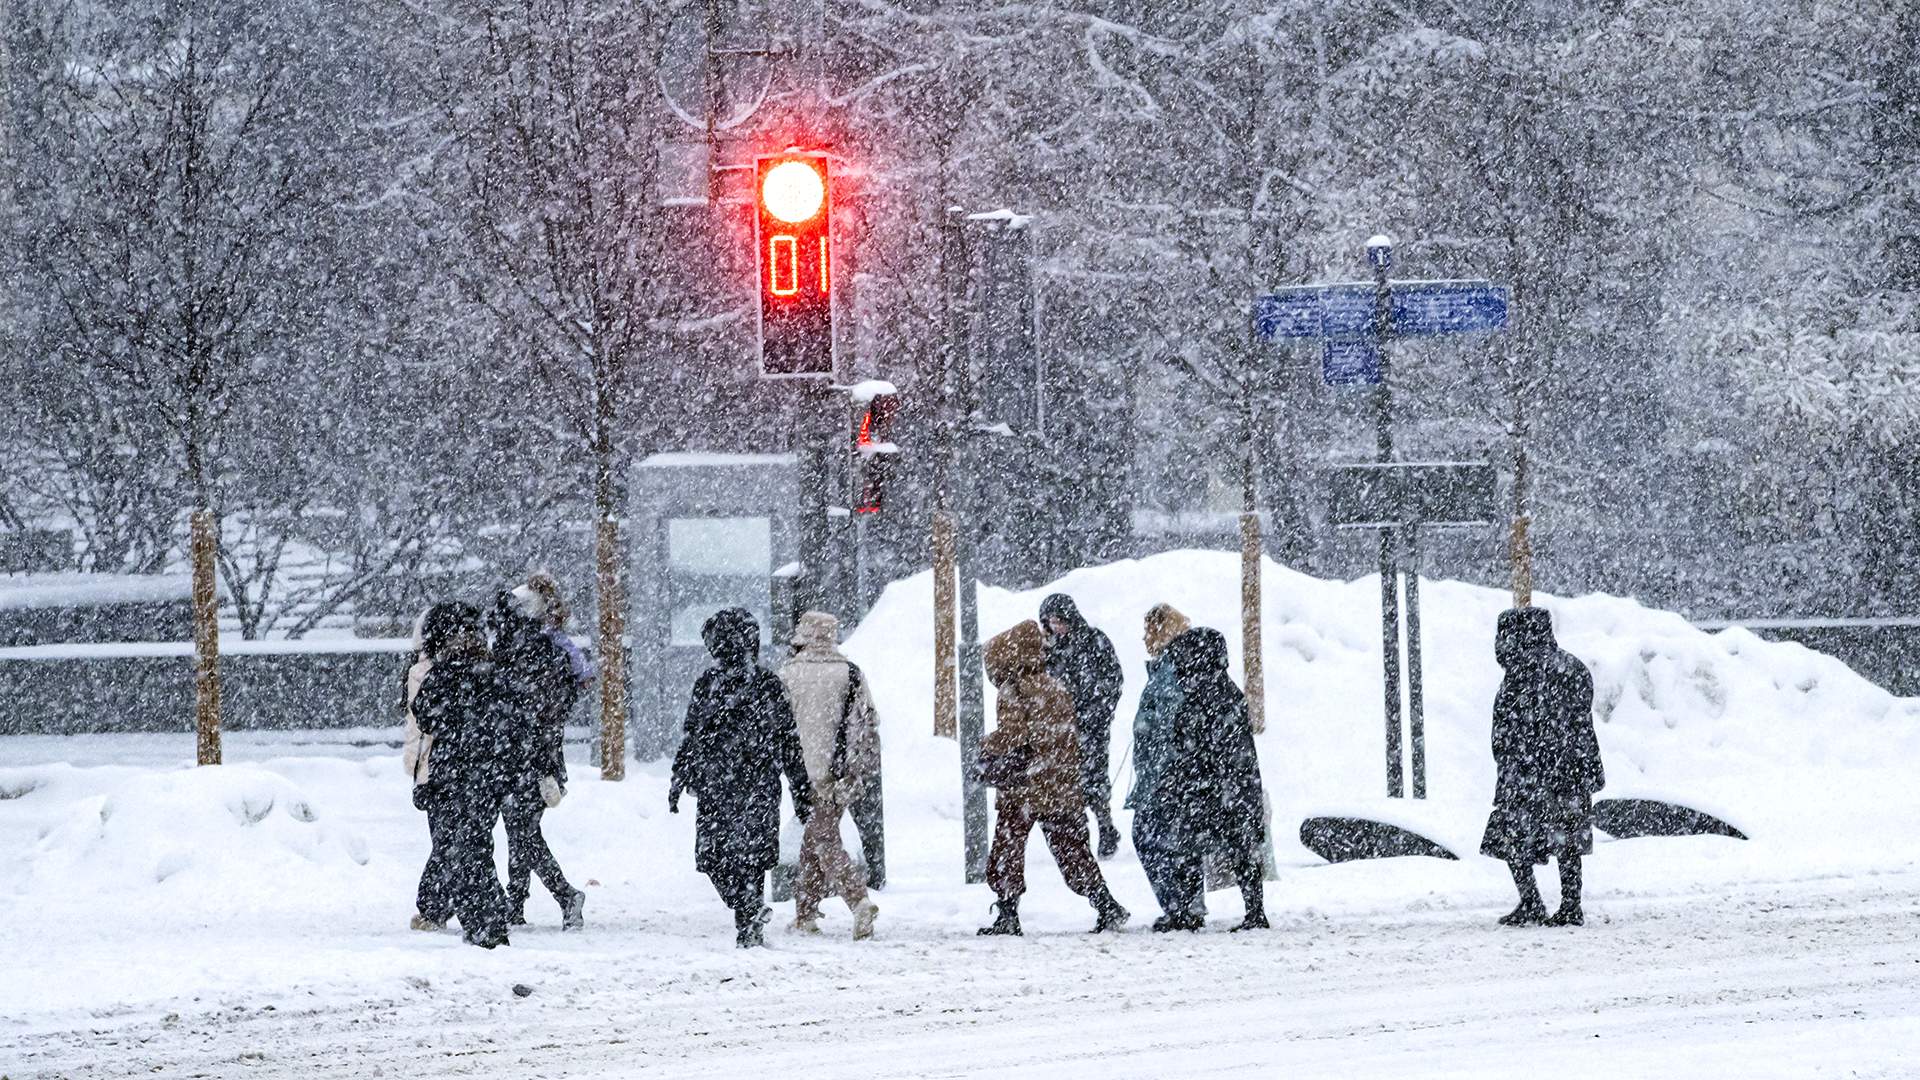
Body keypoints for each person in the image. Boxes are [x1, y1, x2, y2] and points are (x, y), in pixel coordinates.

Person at [671, 608, 814, 948]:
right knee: (721, 858)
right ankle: (748, 906)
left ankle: (748, 924)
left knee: (748, 857)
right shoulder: (713, 684)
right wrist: (680, 775)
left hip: (746, 782)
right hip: (730, 784)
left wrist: (800, 787)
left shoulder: (763, 685)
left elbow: (787, 739)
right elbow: (693, 734)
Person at [976, 619, 1129, 936]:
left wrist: (986, 746)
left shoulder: (1012, 690)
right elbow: (1064, 736)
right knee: (1072, 848)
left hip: (1025, 785)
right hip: (1060, 783)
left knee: (1008, 848)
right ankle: (1105, 904)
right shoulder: (1056, 685)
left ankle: (1007, 914)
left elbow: (1014, 736)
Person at [1481, 607, 1605, 928]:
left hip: (1528, 774)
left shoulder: (1519, 674)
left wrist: (1514, 765)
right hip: (1572, 771)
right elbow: (1580, 721)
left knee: (1510, 837)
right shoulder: (1573, 667)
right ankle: (1571, 905)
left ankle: (1531, 901)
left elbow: (1509, 731)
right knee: (1567, 840)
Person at [409, 601, 522, 949]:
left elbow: (425, 714)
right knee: (474, 847)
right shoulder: (492, 672)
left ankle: (483, 922)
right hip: (483, 777)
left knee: (458, 851)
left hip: (451, 777)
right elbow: (510, 721)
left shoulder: (446, 674)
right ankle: (487, 916)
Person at [777, 611, 882, 939]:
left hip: (803, 770)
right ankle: (805, 914)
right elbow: (869, 718)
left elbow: (781, 726)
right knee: (817, 837)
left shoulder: (787, 674)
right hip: (841, 770)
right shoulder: (850, 673)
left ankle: (858, 900)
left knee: (822, 838)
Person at [489, 587, 587, 932]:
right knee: (521, 831)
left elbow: (539, 710)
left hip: (527, 757)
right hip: (532, 755)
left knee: (523, 832)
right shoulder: (536, 651)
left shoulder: (523, 653)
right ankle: (516, 902)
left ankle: (564, 895)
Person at [1157, 627, 1268, 932]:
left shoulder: (1205, 695)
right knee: (1238, 848)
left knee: (1192, 848)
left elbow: (1198, 747)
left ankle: (1191, 911)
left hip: (1213, 788)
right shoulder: (1221, 690)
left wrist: (1186, 779)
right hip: (1227, 787)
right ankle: (1253, 910)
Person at [1125, 603, 1196, 930]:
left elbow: (1167, 724)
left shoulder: (1169, 672)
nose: (1143, 637)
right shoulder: (1179, 666)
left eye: (1147, 630)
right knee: (1179, 840)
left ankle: (1177, 907)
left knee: (1148, 836)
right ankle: (1188, 907)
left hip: (1163, 775)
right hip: (1170, 773)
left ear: (1161, 631)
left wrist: (1161, 769)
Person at [1039, 593, 1124, 858]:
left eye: (1060, 621)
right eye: (1051, 622)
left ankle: (1105, 826)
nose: (1056, 627)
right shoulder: (1047, 649)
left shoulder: (1094, 640)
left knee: (1095, 778)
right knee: (1066, 782)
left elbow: (1114, 680)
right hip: (1061, 728)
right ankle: (1078, 833)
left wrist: (1098, 711)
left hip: (1091, 726)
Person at [401, 607, 451, 932]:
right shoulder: (432, 675)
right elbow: (421, 727)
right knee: (446, 841)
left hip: (432, 766)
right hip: (437, 766)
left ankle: (437, 906)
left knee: (445, 839)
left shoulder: (422, 672)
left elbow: (417, 727)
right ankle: (435, 906)